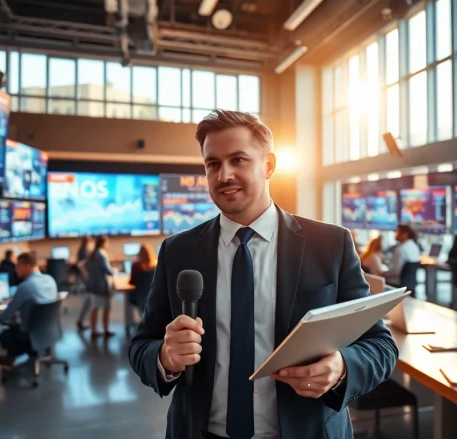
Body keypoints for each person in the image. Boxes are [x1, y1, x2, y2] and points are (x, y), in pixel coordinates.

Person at [129, 110, 397, 439]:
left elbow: (380, 346)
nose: (223, 174)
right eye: (212, 164)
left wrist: (342, 367)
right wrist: (164, 357)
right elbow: (141, 344)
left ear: (268, 166)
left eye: (238, 160)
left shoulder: (329, 244)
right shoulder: (179, 250)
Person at [0, 252, 58, 366]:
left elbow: (6, 315)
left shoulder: (25, 287)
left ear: (26, 265)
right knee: (15, 325)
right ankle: (15, 358)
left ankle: (14, 358)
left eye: (17, 266)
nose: (15, 269)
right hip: (49, 330)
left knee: (4, 335)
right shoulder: (50, 280)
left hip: (29, 335)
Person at [85, 236, 115, 338]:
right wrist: (115, 271)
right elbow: (108, 271)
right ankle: (106, 329)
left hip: (94, 285)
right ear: (103, 243)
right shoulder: (102, 255)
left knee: (95, 307)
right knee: (106, 307)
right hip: (102, 285)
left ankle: (93, 330)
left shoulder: (92, 254)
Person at [129, 244, 157, 313]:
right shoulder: (155, 265)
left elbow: (132, 282)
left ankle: (135, 320)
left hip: (140, 297)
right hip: (154, 296)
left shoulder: (136, 265)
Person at [76, 236, 95, 331]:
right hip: (86, 279)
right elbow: (81, 265)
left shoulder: (82, 251)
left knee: (89, 300)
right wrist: (87, 277)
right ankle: (81, 320)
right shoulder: (84, 252)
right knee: (89, 299)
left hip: (85, 278)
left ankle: (81, 320)